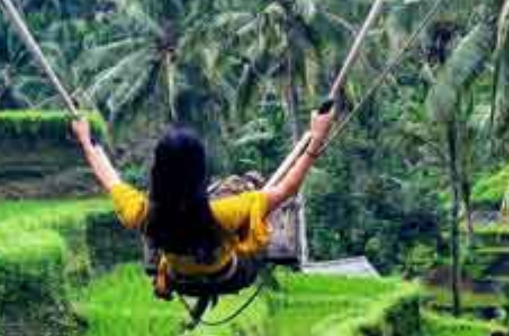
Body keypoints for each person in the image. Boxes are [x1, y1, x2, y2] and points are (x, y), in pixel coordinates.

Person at [71, 106, 335, 300]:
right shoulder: (225, 213)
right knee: (252, 207)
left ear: (157, 171)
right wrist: (316, 139)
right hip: (232, 277)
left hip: (181, 282)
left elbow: (109, 178)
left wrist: (85, 140)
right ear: (200, 171)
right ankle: (248, 187)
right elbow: (287, 189)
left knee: (238, 204)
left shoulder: (142, 212)